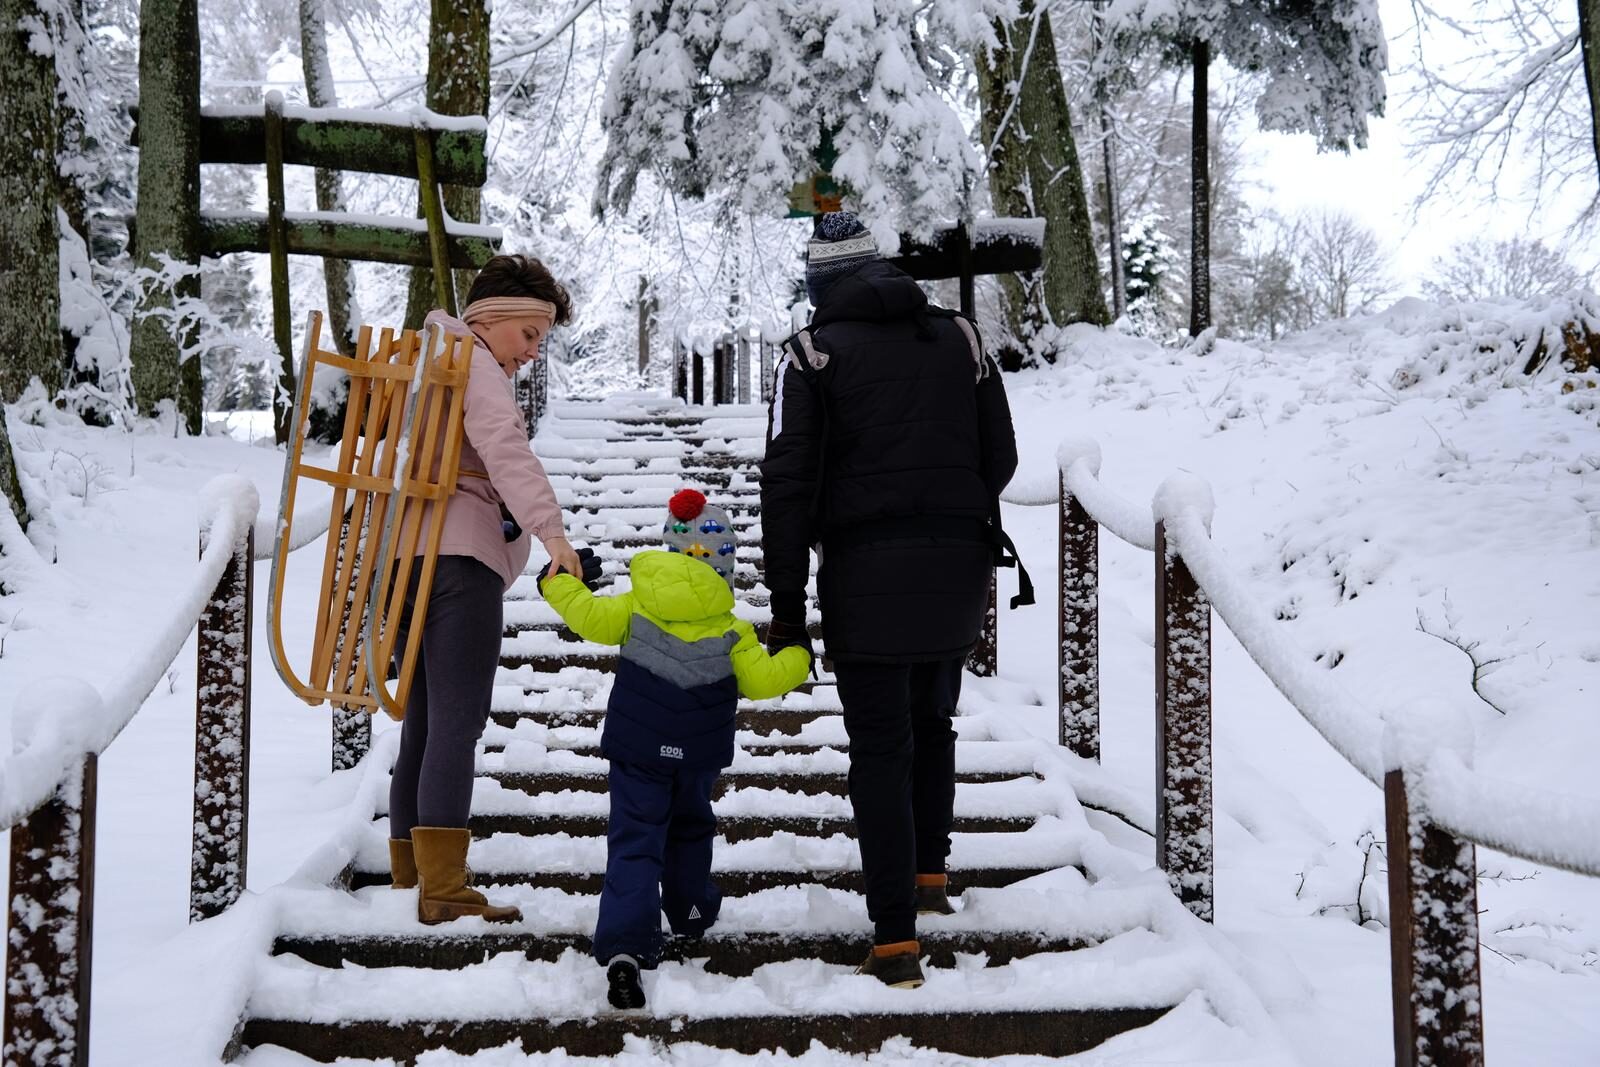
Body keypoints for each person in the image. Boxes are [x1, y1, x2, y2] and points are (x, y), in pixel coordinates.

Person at [759, 211, 1021, 989]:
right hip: (956, 568)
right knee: (930, 720)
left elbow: (787, 485)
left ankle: (896, 938)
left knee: (880, 746)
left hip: (864, 572)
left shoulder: (809, 355)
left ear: (818, 287)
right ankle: (929, 878)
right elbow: (1000, 457)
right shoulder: (961, 339)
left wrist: (785, 606)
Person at [537, 488, 812, 1009]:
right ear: (724, 569)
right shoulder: (734, 632)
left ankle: (624, 947)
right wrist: (798, 654)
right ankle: (689, 913)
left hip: (638, 750)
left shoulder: (638, 605)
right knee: (689, 829)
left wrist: (557, 587)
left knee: (636, 839)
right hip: (697, 755)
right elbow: (764, 680)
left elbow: (589, 616)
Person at [389, 253, 596, 926]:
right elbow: (506, 449)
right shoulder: (474, 364)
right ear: (493, 316)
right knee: (459, 717)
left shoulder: (433, 359)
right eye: (530, 334)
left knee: (424, 715)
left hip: (410, 555)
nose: (533, 353)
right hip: (462, 555)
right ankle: (444, 889)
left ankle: (410, 870)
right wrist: (553, 533)